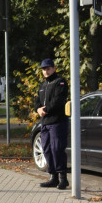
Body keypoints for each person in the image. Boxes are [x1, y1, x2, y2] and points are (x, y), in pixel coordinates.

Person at [35, 58, 69, 190]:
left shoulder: (60, 82)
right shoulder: (42, 86)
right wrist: (38, 109)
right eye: (44, 69)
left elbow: (58, 100)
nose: (46, 71)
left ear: (54, 68)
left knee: (57, 149)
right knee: (47, 149)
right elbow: (37, 101)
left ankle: (63, 179)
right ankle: (53, 177)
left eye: (48, 68)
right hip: (45, 123)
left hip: (57, 122)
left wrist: (46, 109)